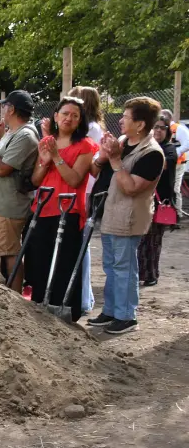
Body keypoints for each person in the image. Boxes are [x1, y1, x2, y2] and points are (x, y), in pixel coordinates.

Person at [88, 97, 165, 334]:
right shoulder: (123, 141)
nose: (120, 120)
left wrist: (115, 160)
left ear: (140, 124)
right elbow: (95, 168)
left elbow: (131, 187)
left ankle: (127, 316)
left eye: (126, 116)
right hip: (112, 213)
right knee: (111, 266)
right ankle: (111, 310)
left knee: (125, 267)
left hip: (129, 217)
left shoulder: (152, 154)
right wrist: (104, 154)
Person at [24, 97, 97, 322]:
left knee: (64, 261)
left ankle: (64, 307)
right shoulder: (48, 141)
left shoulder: (84, 145)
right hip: (43, 208)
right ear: (56, 116)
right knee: (39, 260)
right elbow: (36, 180)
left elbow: (75, 180)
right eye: (65, 113)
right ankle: (39, 303)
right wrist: (45, 160)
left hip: (68, 209)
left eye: (75, 116)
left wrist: (56, 157)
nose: (69, 118)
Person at [0, 90, 40, 291]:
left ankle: (15, 297)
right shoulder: (13, 132)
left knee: (11, 252)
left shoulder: (25, 135)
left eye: (4, 106)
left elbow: (3, 169)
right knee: (6, 253)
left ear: (12, 109)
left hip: (10, 205)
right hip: (2, 203)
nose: (2, 110)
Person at [68, 86, 105, 313]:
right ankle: (84, 296)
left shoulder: (90, 130)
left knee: (82, 242)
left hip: (85, 190)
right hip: (85, 188)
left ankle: (83, 298)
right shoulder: (93, 128)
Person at [136, 112, 179, 287]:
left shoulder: (169, 149)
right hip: (143, 199)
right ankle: (141, 272)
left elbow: (161, 164)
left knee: (153, 241)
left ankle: (151, 274)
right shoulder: (146, 146)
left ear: (168, 131)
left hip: (160, 203)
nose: (158, 131)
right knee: (141, 240)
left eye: (162, 127)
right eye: (155, 127)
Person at [160, 108, 189, 216]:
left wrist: (176, 152)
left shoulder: (178, 128)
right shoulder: (161, 128)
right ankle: (167, 213)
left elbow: (188, 142)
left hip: (177, 163)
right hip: (165, 163)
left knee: (175, 188)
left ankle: (177, 214)